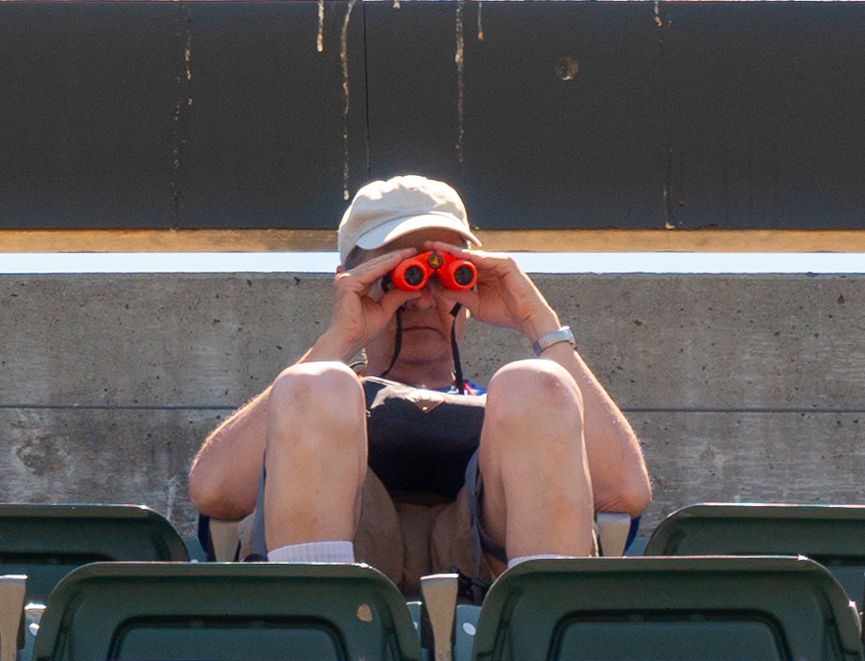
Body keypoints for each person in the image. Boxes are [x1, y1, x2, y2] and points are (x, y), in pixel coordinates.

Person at [187, 169, 649, 587]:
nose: (423, 299)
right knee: (316, 386)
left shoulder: (522, 406)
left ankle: (535, 638)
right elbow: (214, 490)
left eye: (444, 274)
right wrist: (339, 339)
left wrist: (538, 322)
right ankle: (322, 635)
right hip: (353, 551)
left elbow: (625, 493)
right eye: (399, 274)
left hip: (485, 561)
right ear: (353, 279)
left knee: (538, 383)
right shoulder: (313, 397)